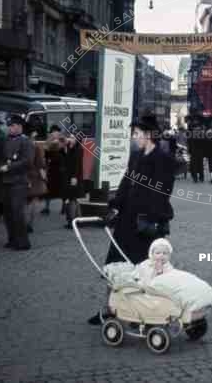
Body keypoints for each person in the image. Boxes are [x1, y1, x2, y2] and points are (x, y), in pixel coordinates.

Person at [88, 113, 175, 325]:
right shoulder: (135, 155)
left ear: (148, 135)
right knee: (115, 265)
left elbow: (163, 192)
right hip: (127, 221)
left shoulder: (162, 159)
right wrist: (115, 204)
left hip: (146, 224)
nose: (133, 137)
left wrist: (152, 216)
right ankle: (109, 309)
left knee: (144, 268)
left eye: (136, 133)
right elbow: (127, 182)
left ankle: (142, 311)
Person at [0, 115, 34, 250]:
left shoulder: (26, 141)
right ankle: (12, 239)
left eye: (12, 126)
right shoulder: (5, 140)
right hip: (6, 180)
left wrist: (9, 167)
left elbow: (28, 161)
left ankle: (23, 242)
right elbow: (0, 156)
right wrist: (0, 165)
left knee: (17, 212)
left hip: (19, 181)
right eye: (9, 126)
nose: (10, 128)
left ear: (19, 126)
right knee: (7, 213)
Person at [26, 125, 47, 234]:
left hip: (22, 176)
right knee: (33, 201)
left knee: (24, 202)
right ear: (33, 134)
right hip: (34, 177)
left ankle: (23, 223)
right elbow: (40, 164)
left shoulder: (21, 144)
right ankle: (29, 224)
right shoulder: (35, 147)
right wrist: (44, 178)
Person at [41, 125, 64, 215]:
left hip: (53, 168)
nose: (54, 134)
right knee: (60, 188)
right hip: (60, 168)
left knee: (50, 188)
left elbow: (46, 156)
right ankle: (63, 208)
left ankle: (47, 208)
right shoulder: (61, 140)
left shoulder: (51, 141)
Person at [63, 133, 84, 229]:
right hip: (71, 176)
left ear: (77, 139)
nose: (69, 139)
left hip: (73, 177)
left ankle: (72, 221)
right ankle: (78, 220)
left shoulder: (78, 149)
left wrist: (74, 177)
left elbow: (77, 164)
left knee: (72, 198)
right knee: (74, 199)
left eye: (72, 137)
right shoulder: (72, 148)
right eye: (69, 137)